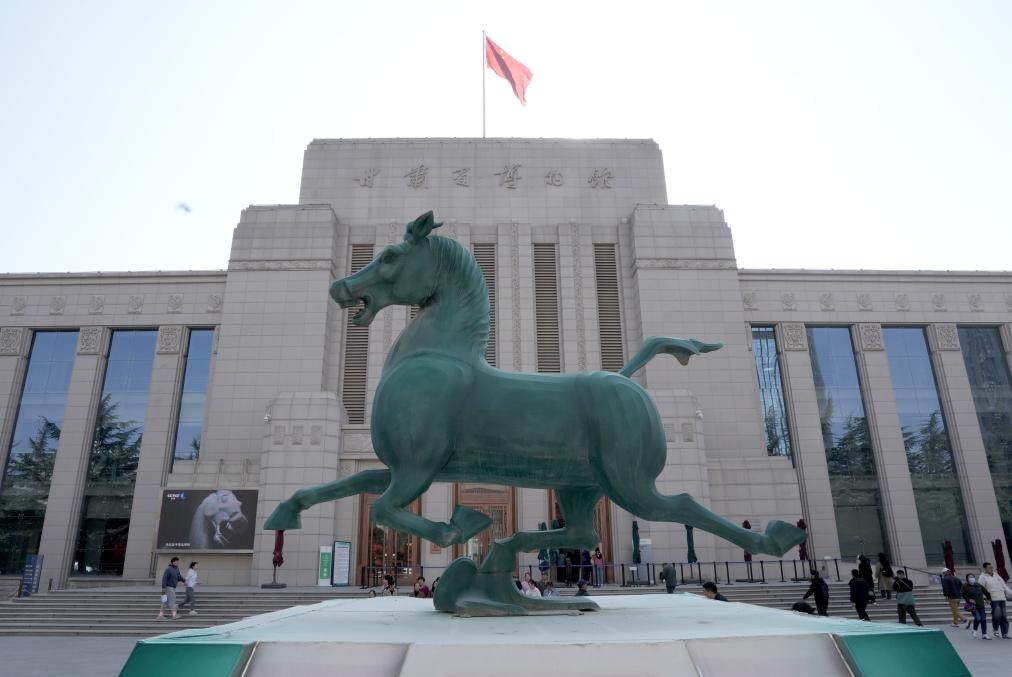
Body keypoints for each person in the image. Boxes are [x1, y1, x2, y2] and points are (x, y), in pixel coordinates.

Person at [979, 561, 1012, 639]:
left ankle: (1005, 633)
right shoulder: (982, 577)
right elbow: (980, 590)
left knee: (1004, 616)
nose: (991, 569)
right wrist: (985, 598)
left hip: (1002, 598)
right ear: (985, 569)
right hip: (993, 599)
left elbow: (1004, 586)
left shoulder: (996, 575)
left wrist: (1011, 593)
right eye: (989, 568)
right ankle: (995, 629)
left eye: (992, 567)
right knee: (997, 615)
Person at [962, 572, 992, 639]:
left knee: (983, 619)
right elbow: (962, 594)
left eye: (973, 577)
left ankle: (984, 634)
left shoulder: (978, 585)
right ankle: (974, 630)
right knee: (978, 618)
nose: (972, 578)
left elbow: (986, 592)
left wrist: (988, 599)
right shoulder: (965, 586)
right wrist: (969, 599)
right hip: (973, 606)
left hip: (981, 605)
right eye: (970, 577)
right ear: (967, 579)